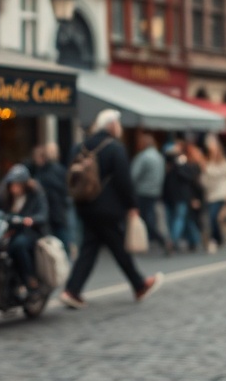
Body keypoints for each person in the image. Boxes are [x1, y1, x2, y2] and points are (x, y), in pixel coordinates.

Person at [59, 110, 164, 309]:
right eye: (118, 123)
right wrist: (132, 205)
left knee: (90, 247)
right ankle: (139, 285)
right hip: (107, 208)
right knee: (116, 246)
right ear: (111, 125)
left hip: (83, 205)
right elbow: (124, 180)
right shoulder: (114, 148)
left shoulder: (79, 147)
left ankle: (72, 290)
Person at [0, 164, 49, 293]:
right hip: (9, 231)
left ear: (24, 185)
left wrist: (32, 220)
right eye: (12, 185)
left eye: (17, 185)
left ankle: (29, 278)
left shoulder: (36, 194)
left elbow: (43, 214)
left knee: (18, 245)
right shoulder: (6, 195)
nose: (14, 188)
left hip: (29, 232)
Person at [130, 134, 169, 253]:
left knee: (146, 219)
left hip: (142, 191)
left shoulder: (143, 157)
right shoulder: (159, 157)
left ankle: (161, 240)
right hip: (155, 192)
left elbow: (133, 175)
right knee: (149, 217)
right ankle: (155, 240)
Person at [162, 141, 203, 253]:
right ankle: (194, 240)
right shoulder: (171, 161)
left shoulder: (188, 164)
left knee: (181, 219)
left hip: (184, 196)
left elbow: (191, 180)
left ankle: (172, 242)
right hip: (172, 196)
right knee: (184, 219)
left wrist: (194, 198)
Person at [34, 143, 71, 253]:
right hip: (55, 210)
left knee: (61, 238)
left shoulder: (48, 172)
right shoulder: (43, 170)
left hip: (55, 211)